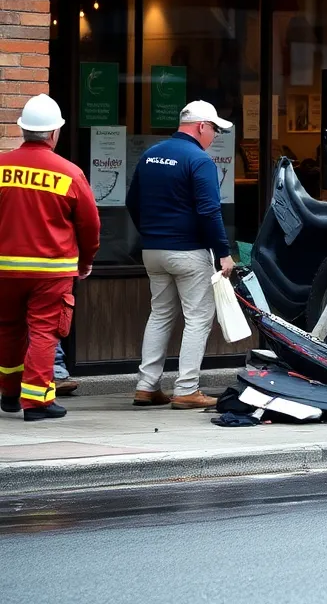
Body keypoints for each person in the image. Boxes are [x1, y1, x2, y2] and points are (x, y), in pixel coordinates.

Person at [126, 101, 235, 410]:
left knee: (160, 314)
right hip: (188, 252)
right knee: (198, 318)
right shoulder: (199, 160)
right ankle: (186, 389)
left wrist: (152, 232)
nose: (214, 136)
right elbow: (210, 211)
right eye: (214, 129)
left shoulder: (150, 155)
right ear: (201, 126)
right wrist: (224, 253)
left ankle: (146, 387)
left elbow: (132, 201)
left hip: (153, 251)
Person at [0, 95, 100, 421]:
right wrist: (85, 261)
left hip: (4, 270)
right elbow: (90, 225)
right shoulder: (69, 173)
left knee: (8, 330)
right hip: (51, 270)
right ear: (55, 133)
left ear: (23, 131)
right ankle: (37, 402)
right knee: (44, 332)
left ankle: (10, 394)